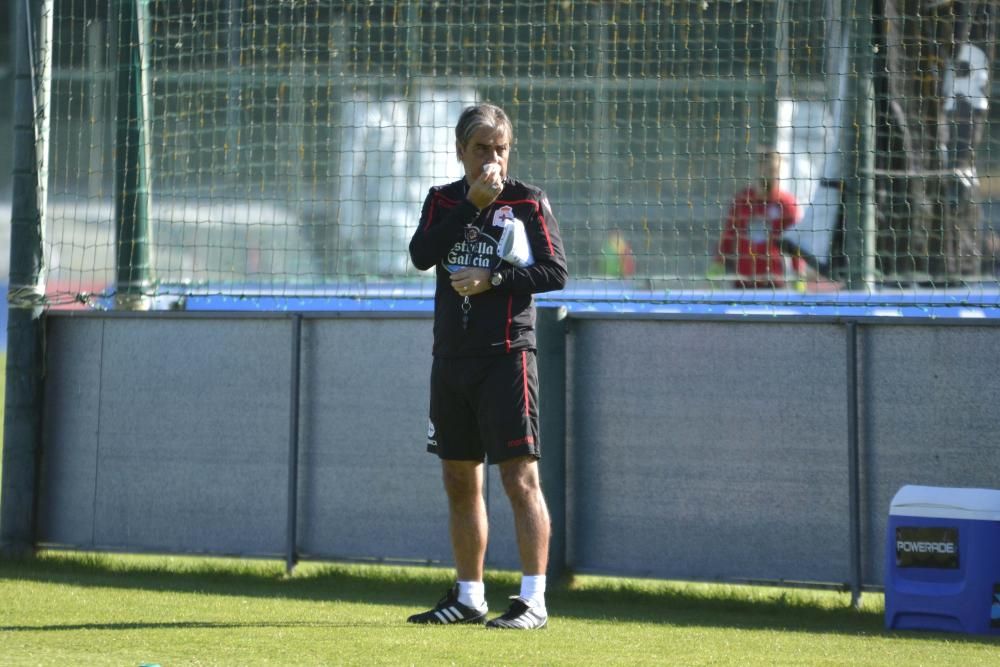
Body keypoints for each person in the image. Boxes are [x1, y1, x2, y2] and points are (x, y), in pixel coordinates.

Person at [407, 103, 568, 630]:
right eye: (481, 149)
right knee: (458, 477)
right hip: (451, 358)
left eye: (500, 148)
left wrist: (494, 282)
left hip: (507, 358)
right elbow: (422, 254)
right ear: (461, 152)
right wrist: (469, 206)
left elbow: (554, 271)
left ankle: (533, 600)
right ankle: (469, 595)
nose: (492, 159)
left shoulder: (528, 200)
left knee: (519, 477)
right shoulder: (441, 200)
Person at [712, 149, 814, 289]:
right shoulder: (742, 200)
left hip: (773, 281)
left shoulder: (786, 203)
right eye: (767, 169)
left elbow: (795, 242)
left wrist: (798, 274)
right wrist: (718, 265)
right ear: (759, 168)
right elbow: (728, 236)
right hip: (743, 280)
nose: (771, 174)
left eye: (774, 170)